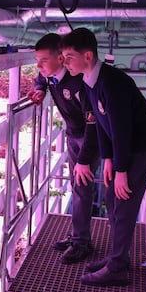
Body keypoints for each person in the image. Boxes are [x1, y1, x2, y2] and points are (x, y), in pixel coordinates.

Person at [59, 27, 146, 286]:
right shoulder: (91, 80)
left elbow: (121, 129)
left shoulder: (111, 82)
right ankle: (118, 257)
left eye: (69, 57)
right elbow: (100, 122)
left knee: (123, 202)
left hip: (142, 144)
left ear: (87, 56)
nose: (66, 62)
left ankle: (117, 267)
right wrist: (107, 159)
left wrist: (121, 170)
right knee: (110, 196)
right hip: (125, 145)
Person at [28, 33, 100, 263]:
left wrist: (85, 159)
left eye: (43, 61)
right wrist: (39, 87)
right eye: (37, 61)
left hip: (92, 139)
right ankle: (78, 236)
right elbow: (42, 78)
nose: (39, 66)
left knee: (82, 187)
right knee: (77, 187)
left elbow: (94, 123)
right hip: (73, 135)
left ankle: (81, 243)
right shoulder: (51, 76)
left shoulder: (79, 82)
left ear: (61, 58)